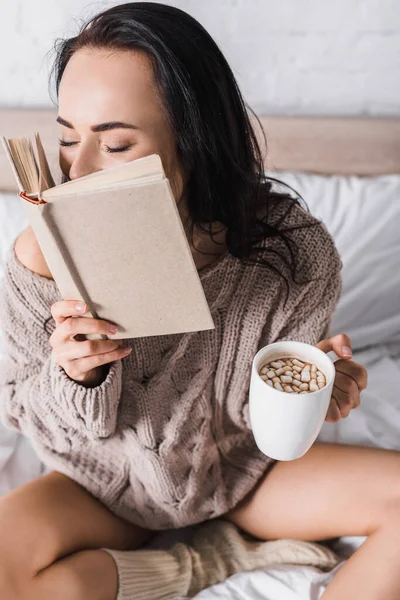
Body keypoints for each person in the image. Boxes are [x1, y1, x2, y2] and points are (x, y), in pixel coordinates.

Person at [4, 3, 399, 600]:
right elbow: (19, 409)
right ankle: (198, 563)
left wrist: (311, 392)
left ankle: (226, 533)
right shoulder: (41, 254)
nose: (76, 169)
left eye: (114, 145)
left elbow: (256, 427)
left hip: (242, 477)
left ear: (192, 142)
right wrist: (76, 378)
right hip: (103, 486)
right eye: (66, 137)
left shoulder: (294, 257)